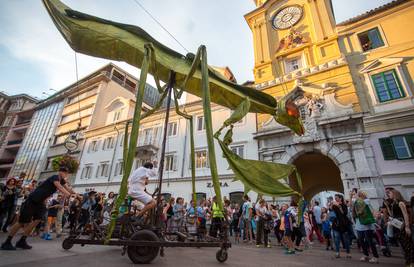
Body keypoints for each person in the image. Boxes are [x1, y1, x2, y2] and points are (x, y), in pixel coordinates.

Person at [1, 167, 75, 250]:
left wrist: (77, 195)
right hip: (33, 200)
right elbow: (60, 188)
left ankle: (22, 241)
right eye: (65, 172)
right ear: (60, 172)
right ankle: (7, 242)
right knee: (22, 222)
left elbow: (68, 188)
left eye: (67, 173)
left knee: (38, 220)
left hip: (40, 202)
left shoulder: (62, 181)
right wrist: (68, 195)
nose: (66, 174)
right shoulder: (55, 177)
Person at [385, 189, 414, 266]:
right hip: (397, 225)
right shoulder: (393, 203)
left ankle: (411, 261)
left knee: (408, 244)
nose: (389, 195)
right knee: (403, 245)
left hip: (402, 225)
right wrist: (387, 206)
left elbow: (405, 215)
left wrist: (407, 227)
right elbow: (392, 214)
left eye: (390, 193)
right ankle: (408, 261)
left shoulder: (401, 203)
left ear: (395, 194)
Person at [352, 190, 379, 263]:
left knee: (370, 240)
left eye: (356, 194)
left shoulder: (366, 202)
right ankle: (365, 255)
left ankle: (375, 256)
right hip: (359, 224)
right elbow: (355, 212)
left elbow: (371, 211)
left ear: (361, 195)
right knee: (361, 240)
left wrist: (375, 219)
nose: (355, 196)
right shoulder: (356, 202)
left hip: (367, 224)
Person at [330, 194, 351, 259]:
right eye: (335, 198)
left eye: (337, 198)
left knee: (345, 239)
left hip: (343, 224)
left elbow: (344, 213)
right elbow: (330, 210)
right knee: (336, 239)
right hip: (336, 224)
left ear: (340, 198)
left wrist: (339, 206)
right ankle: (337, 252)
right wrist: (331, 204)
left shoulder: (343, 205)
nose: (335, 199)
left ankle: (348, 252)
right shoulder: (334, 205)